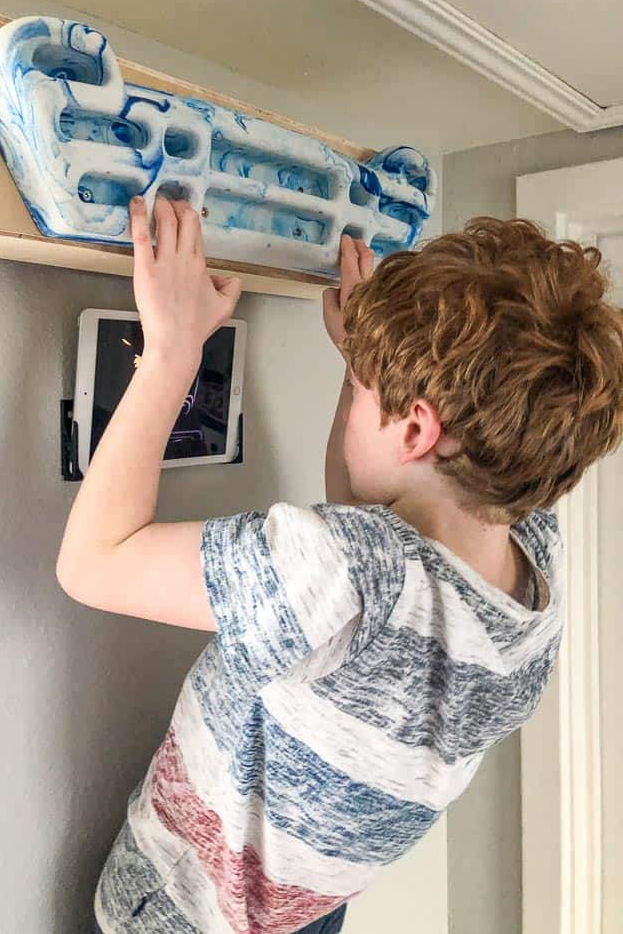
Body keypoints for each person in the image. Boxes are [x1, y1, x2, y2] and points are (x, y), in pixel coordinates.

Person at [56, 195, 623, 933]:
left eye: (361, 393)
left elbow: (95, 562)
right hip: (307, 912)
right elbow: (369, 534)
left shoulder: (350, 572)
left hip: (184, 913)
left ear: (418, 428)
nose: (353, 393)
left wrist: (171, 353)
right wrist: (370, 374)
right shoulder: (530, 576)